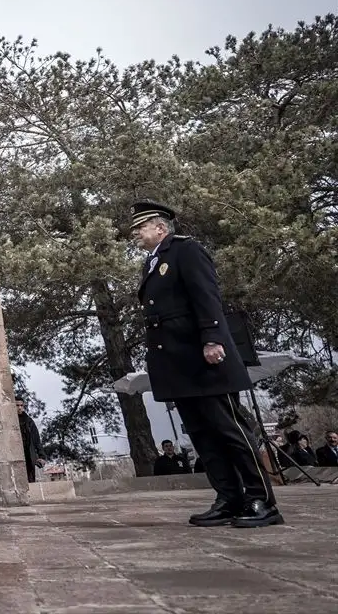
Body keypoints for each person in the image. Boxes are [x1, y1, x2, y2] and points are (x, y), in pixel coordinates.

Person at [131, 200, 281, 527]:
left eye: (141, 228)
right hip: (178, 366)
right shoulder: (152, 263)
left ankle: (261, 500)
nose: (136, 234)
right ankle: (229, 497)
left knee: (230, 430)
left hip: (203, 360)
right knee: (203, 436)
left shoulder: (186, 251)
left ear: (160, 227)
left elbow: (206, 295)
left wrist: (213, 338)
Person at [15, 397, 45, 482]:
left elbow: (36, 440)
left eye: (21, 405)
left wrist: (41, 456)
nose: (20, 407)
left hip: (28, 455)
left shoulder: (28, 421)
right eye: (17, 405)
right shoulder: (8, 421)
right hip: (15, 455)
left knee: (30, 481)